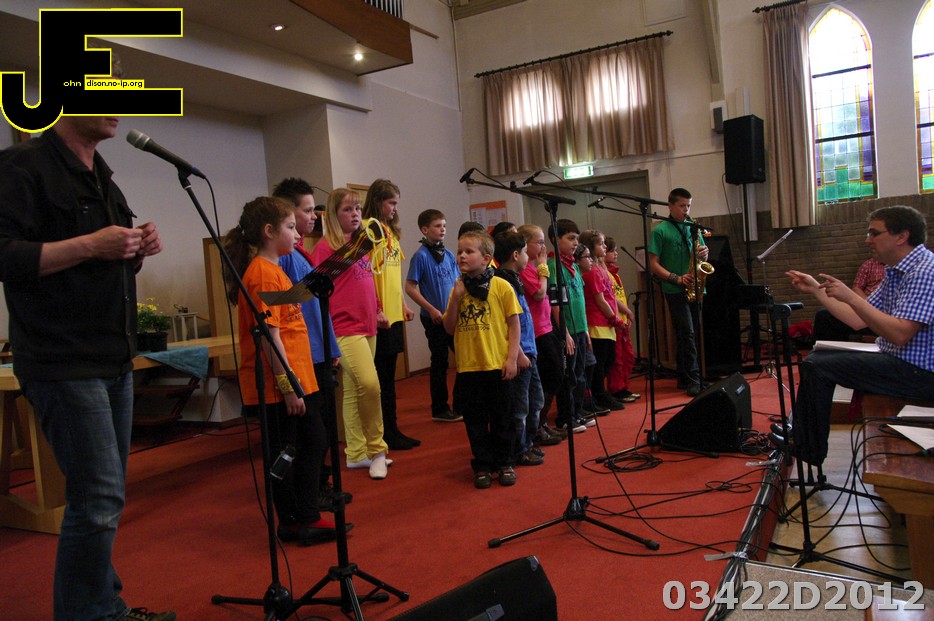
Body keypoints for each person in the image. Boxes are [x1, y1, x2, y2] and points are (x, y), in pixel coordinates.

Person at [0, 116, 174, 620]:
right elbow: (5, 256)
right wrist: (92, 245)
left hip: (112, 356)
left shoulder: (104, 179)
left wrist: (136, 251)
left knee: (103, 498)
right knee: (97, 499)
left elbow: (105, 263)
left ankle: (102, 607)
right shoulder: (23, 166)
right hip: (61, 358)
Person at [222, 196, 338, 546]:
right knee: (295, 450)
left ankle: (303, 516)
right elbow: (270, 337)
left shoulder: (274, 270)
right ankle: (297, 520)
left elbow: (289, 313)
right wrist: (289, 387)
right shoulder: (261, 273)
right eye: (290, 227)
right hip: (282, 386)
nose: (298, 234)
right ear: (269, 231)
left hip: (299, 377)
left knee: (312, 442)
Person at [785, 205, 934, 466]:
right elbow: (857, 320)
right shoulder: (897, 270)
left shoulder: (923, 271)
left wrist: (852, 297)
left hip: (921, 374)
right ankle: (803, 441)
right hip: (903, 363)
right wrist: (816, 289)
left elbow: (900, 334)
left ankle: (806, 447)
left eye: (875, 233)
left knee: (817, 366)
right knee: (817, 360)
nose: (868, 240)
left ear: (902, 236)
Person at [272, 178, 343, 511]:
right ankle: (310, 495)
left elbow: (316, 307)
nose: (314, 215)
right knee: (312, 434)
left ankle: (318, 487)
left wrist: (332, 348)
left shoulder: (300, 251)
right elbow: (282, 303)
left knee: (322, 429)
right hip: (304, 354)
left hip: (318, 349)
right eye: (307, 210)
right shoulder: (285, 257)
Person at [311, 188, 391, 479]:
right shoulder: (324, 248)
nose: (356, 214)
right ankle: (377, 450)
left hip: (367, 323)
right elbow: (316, 293)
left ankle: (356, 452)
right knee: (369, 385)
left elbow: (367, 280)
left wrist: (378, 308)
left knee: (353, 390)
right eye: (348, 209)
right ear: (333, 215)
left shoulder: (360, 243)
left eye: (357, 209)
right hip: (344, 328)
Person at [444, 230, 522, 489]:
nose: (462, 256)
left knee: (503, 418)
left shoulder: (501, 286)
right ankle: (483, 465)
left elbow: (514, 325)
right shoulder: (458, 288)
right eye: (459, 251)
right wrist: (456, 299)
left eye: (469, 251)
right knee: (475, 421)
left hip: (497, 364)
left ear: (486, 258)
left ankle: (505, 462)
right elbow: (449, 328)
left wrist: (512, 358)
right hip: (469, 367)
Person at [362, 179, 418, 450]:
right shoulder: (368, 229)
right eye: (391, 203)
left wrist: (403, 304)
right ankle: (383, 431)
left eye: (396, 203)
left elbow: (393, 275)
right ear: (377, 201)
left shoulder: (390, 232)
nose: (395, 208)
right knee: (381, 379)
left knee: (389, 377)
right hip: (379, 317)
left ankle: (392, 428)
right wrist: (377, 308)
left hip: (394, 315)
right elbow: (367, 274)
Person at [648, 188, 709, 396]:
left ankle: (684, 377)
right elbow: (653, 264)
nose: (686, 210)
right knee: (687, 332)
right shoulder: (660, 230)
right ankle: (694, 379)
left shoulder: (693, 228)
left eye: (688, 206)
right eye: (682, 206)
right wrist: (676, 278)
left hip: (695, 286)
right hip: (674, 288)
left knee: (690, 334)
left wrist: (704, 254)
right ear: (670, 206)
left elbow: (702, 256)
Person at [494, 230, 545, 466]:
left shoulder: (515, 279)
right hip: (520, 354)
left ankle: (528, 442)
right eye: (525, 252)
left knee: (536, 401)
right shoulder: (504, 283)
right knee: (520, 407)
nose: (528, 256)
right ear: (515, 255)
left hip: (529, 352)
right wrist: (520, 354)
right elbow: (507, 325)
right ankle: (519, 449)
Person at [405, 209, 460, 422]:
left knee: (464, 359)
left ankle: (461, 403)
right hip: (434, 318)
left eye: (444, 225)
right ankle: (439, 409)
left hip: (452, 317)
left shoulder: (449, 255)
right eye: (438, 226)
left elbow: (457, 284)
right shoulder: (420, 256)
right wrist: (430, 309)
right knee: (440, 362)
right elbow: (410, 287)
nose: (443, 229)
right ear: (425, 230)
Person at [516, 224, 565, 446]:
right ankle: (537, 425)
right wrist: (543, 267)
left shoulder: (532, 266)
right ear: (526, 244)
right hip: (536, 331)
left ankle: (541, 423)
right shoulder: (527, 268)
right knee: (550, 375)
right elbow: (539, 293)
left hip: (546, 326)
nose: (544, 247)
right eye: (540, 242)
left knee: (556, 374)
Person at [547, 218, 593, 433]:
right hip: (567, 331)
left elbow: (580, 299)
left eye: (577, 238)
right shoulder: (553, 266)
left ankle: (577, 412)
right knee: (569, 376)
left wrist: (586, 329)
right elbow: (555, 304)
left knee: (581, 373)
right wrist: (564, 332)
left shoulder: (574, 265)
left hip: (580, 329)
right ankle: (566, 418)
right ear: (556, 239)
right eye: (571, 238)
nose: (576, 243)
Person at [579, 230, 627, 412]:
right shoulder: (592, 272)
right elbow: (600, 300)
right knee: (600, 362)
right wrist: (614, 318)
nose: (605, 246)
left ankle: (599, 392)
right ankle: (598, 393)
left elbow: (610, 295)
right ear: (591, 247)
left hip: (607, 322)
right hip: (598, 321)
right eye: (600, 244)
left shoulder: (601, 267)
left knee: (608, 359)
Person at [812, 257, 884, 342]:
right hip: (867, 305)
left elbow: (860, 321)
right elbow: (857, 288)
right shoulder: (869, 265)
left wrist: (846, 294)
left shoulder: (894, 275)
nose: (869, 243)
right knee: (824, 315)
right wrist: (814, 287)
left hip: (881, 318)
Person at [604, 236, 639, 403]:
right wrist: (628, 311)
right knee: (617, 358)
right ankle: (617, 389)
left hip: (622, 321)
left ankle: (624, 386)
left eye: (616, 250)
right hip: (615, 322)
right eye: (612, 251)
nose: (616, 254)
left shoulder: (615, 274)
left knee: (627, 356)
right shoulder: (606, 274)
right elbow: (613, 299)